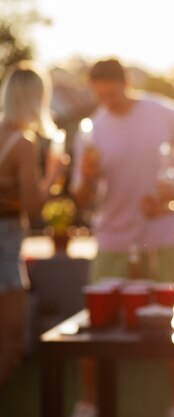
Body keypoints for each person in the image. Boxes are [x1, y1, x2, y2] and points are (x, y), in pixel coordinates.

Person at [70, 58, 174, 417]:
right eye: (100, 95)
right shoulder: (91, 129)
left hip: (164, 234)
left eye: (112, 93)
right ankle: (89, 402)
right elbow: (80, 198)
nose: (107, 101)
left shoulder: (164, 112)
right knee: (95, 323)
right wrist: (86, 177)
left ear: (126, 83)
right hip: (113, 237)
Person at [0, 61, 65, 390]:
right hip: (5, 243)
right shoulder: (22, 144)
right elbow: (34, 206)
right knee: (11, 336)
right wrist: (53, 173)